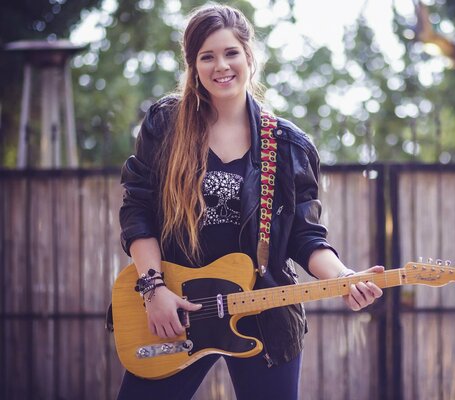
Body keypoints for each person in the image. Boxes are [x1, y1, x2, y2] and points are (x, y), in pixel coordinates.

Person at [117, 4, 383, 400]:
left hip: (264, 314)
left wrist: (343, 277)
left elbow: (305, 236)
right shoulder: (165, 126)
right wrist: (153, 289)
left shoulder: (288, 144)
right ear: (193, 65)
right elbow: (138, 211)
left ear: (249, 56)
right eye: (207, 56)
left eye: (230, 53)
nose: (221, 65)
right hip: (176, 308)